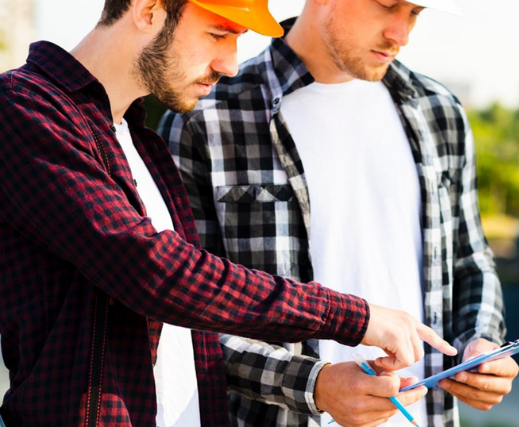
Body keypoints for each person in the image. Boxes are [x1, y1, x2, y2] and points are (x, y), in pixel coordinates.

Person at [0, 0, 457, 425]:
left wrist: (315, 382)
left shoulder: (141, 143)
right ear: (148, 9)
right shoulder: (24, 109)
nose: (231, 63)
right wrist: (355, 317)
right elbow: (159, 273)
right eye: (219, 34)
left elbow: (201, 314)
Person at [160, 0, 519, 426]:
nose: (400, 34)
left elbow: (470, 258)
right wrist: (316, 385)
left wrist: (482, 343)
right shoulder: (208, 117)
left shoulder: (438, 111)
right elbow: (184, 314)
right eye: (387, 6)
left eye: (415, 14)